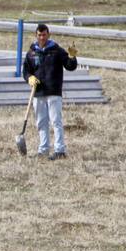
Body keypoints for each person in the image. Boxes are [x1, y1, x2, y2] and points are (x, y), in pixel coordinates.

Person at [22, 23, 79, 160]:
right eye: (39, 35)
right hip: (38, 92)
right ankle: (43, 150)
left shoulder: (56, 50)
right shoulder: (31, 52)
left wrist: (72, 56)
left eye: (44, 34)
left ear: (48, 35)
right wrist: (29, 78)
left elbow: (70, 66)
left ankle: (59, 150)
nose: (42, 37)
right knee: (41, 122)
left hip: (53, 91)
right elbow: (26, 70)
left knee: (56, 121)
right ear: (36, 35)